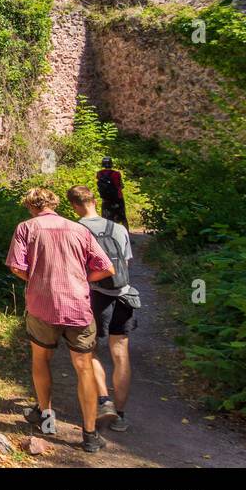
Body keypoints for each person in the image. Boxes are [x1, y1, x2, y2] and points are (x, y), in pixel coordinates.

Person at [6, 186, 116, 453]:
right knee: (84, 367)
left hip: (42, 306)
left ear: (31, 206)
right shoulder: (79, 230)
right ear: (54, 204)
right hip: (77, 306)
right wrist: (80, 279)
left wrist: (36, 280)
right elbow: (106, 268)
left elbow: (16, 266)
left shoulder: (26, 228)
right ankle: (89, 435)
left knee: (41, 360)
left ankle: (46, 419)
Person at [68, 185, 139, 433]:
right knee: (120, 354)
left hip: (96, 297)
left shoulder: (76, 229)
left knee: (91, 350)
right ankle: (120, 415)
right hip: (124, 296)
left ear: (74, 205)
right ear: (95, 201)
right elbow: (126, 262)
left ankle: (103, 401)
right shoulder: (118, 228)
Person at [96, 157, 129, 229]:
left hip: (106, 199)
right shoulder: (116, 173)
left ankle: (108, 235)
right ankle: (127, 235)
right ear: (111, 164)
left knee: (106, 219)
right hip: (117, 198)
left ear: (103, 164)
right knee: (123, 218)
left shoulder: (99, 173)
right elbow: (120, 186)